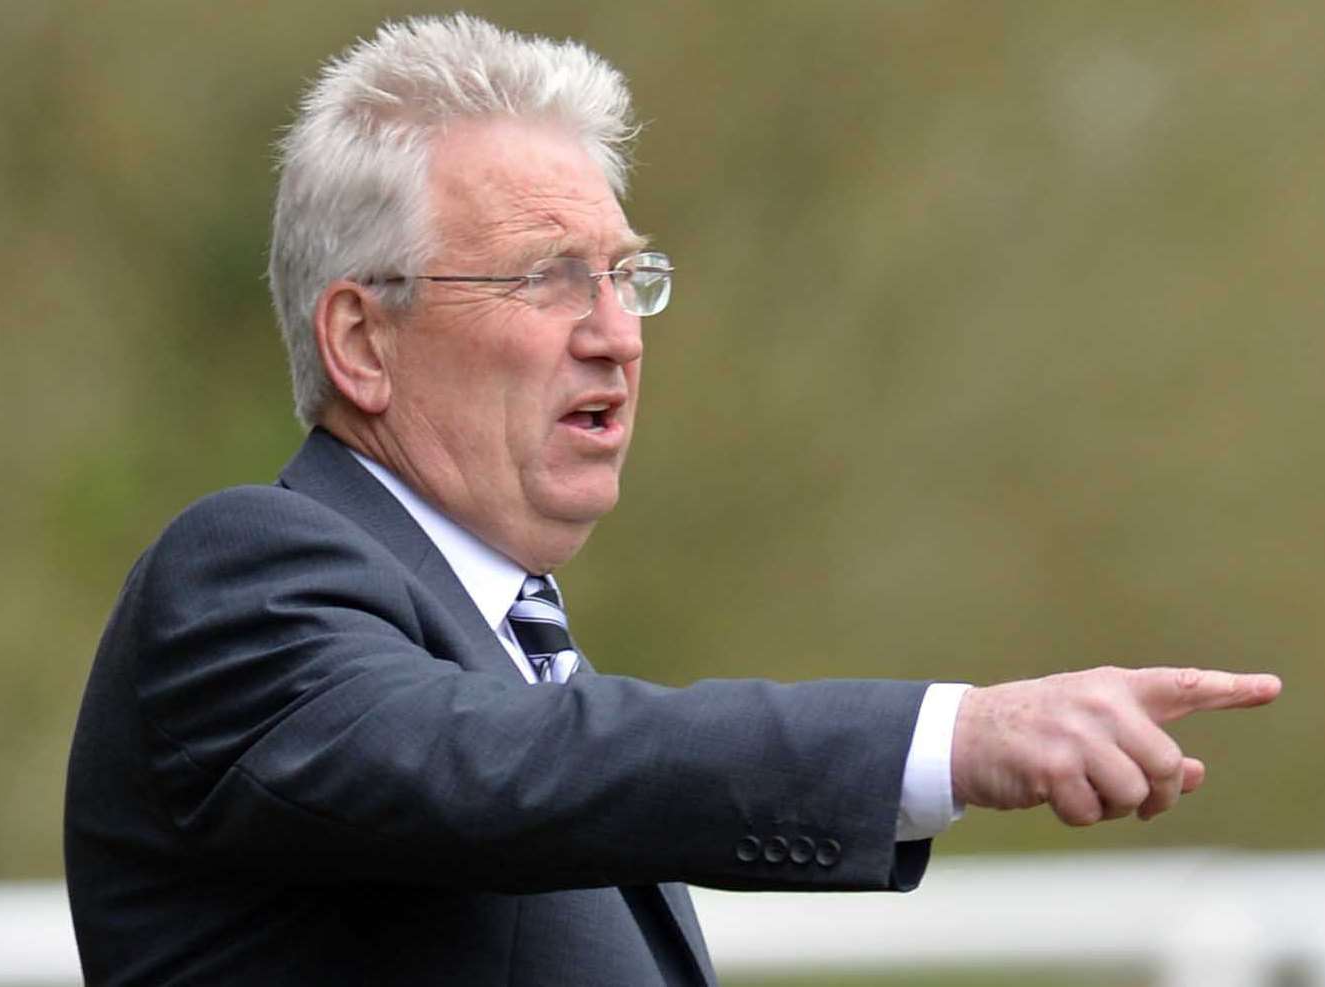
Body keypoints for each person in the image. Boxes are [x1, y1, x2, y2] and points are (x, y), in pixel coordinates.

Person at [64, 14, 1281, 986]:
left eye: (626, 277)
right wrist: (945, 739)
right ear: (362, 340)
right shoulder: (244, 580)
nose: (615, 337)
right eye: (548, 280)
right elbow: (514, 768)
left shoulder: (521, 655)